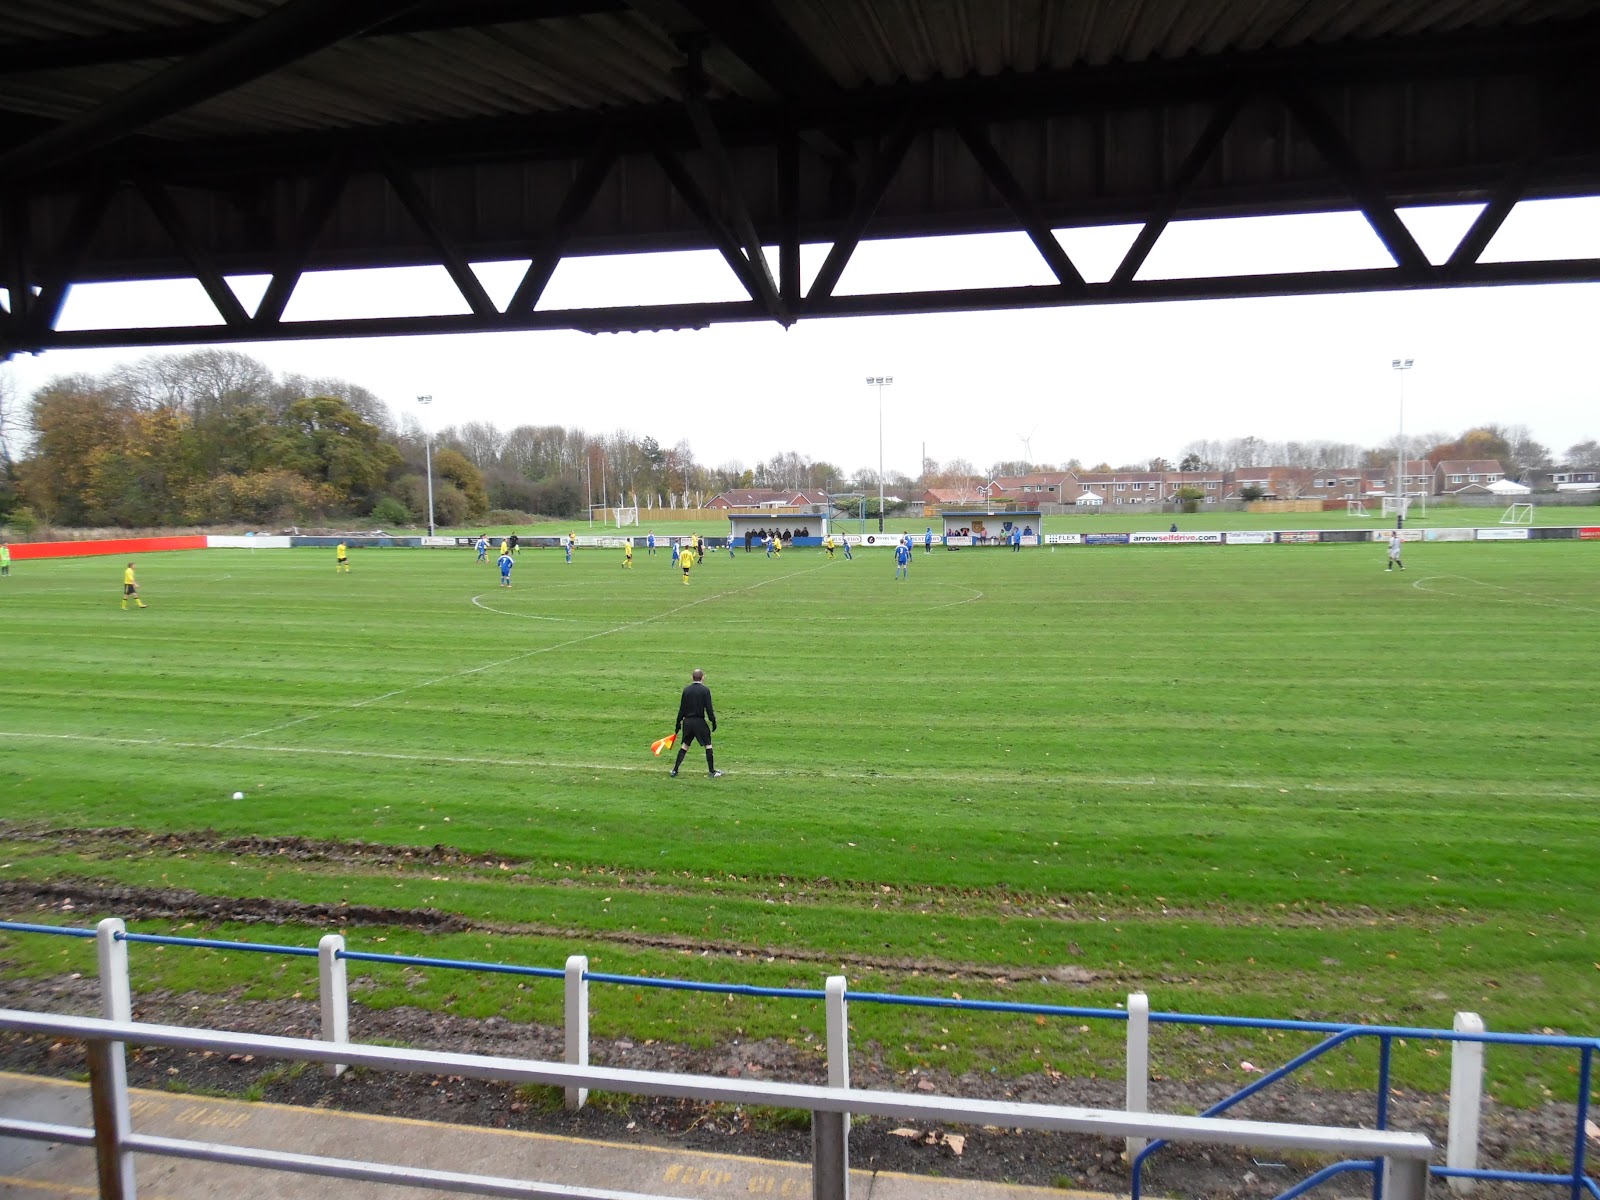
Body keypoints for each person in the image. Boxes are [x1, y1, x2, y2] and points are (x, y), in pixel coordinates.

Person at [669, 667, 721, 778]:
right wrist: (713, 721)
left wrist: (678, 723)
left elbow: (682, 709)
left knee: (685, 745)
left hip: (687, 722)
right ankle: (712, 771)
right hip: (699, 722)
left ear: (692, 678)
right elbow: (709, 708)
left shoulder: (686, 690)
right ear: (703, 678)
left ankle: (675, 770)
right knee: (708, 745)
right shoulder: (705, 691)